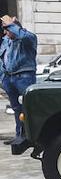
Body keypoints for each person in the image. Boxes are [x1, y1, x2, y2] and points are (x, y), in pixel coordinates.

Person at [1, 15, 38, 150]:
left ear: (16, 27)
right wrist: (2, 77)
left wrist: (11, 24)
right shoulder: (6, 40)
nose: (5, 32)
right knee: (17, 109)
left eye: (8, 29)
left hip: (24, 77)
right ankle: (19, 135)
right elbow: (2, 57)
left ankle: (30, 136)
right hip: (9, 78)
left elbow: (23, 36)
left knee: (28, 108)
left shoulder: (28, 38)